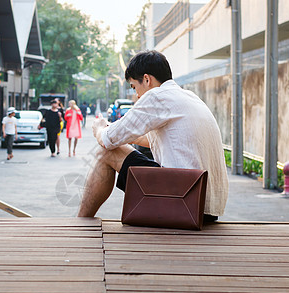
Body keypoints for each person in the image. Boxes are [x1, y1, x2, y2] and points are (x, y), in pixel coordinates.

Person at [77, 50, 228, 222]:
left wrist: (99, 127)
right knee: (116, 147)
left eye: (134, 87)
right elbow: (157, 140)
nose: (137, 95)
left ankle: (80, 221)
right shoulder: (188, 97)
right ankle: (82, 219)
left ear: (147, 79)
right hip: (204, 207)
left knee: (106, 152)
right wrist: (123, 135)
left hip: (181, 200)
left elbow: (107, 140)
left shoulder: (157, 96)